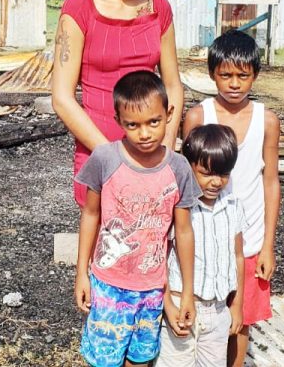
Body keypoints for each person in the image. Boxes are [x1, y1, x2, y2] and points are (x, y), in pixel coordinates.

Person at [52, 0, 184, 209]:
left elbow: (173, 86)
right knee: (103, 251)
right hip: (98, 154)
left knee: (151, 249)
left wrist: (163, 150)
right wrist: (115, 158)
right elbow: (62, 98)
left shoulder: (159, 8)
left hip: (152, 152)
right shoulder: (79, 8)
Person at [75, 71, 200, 367]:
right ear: (118, 121)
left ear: (168, 115)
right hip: (108, 284)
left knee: (141, 360)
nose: (144, 133)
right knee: (104, 360)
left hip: (152, 288)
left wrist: (188, 294)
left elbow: (183, 232)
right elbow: (90, 213)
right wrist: (82, 272)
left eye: (153, 122)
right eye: (133, 125)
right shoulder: (105, 159)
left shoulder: (179, 168)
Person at [180, 30, 282, 367]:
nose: (234, 84)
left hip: (249, 241)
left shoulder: (267, 122)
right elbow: (185, 177)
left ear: (255, 75)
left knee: (240, 321)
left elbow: (270, 181)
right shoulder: (198, 117)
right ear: (212, 74)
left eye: (243, 75)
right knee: (199, 315)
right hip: (203, 236)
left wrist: (268, 244)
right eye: (225, 75)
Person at [157, 124, 245, 367]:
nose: (216, 182)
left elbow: (238, 256)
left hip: (217, 310)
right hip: (179, 307)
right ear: (189, 167)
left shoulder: (233, 205)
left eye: (224, 174)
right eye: (206, 173)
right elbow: (159, 259)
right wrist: (167, 305)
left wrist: (236, 306)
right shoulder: (180, 208)